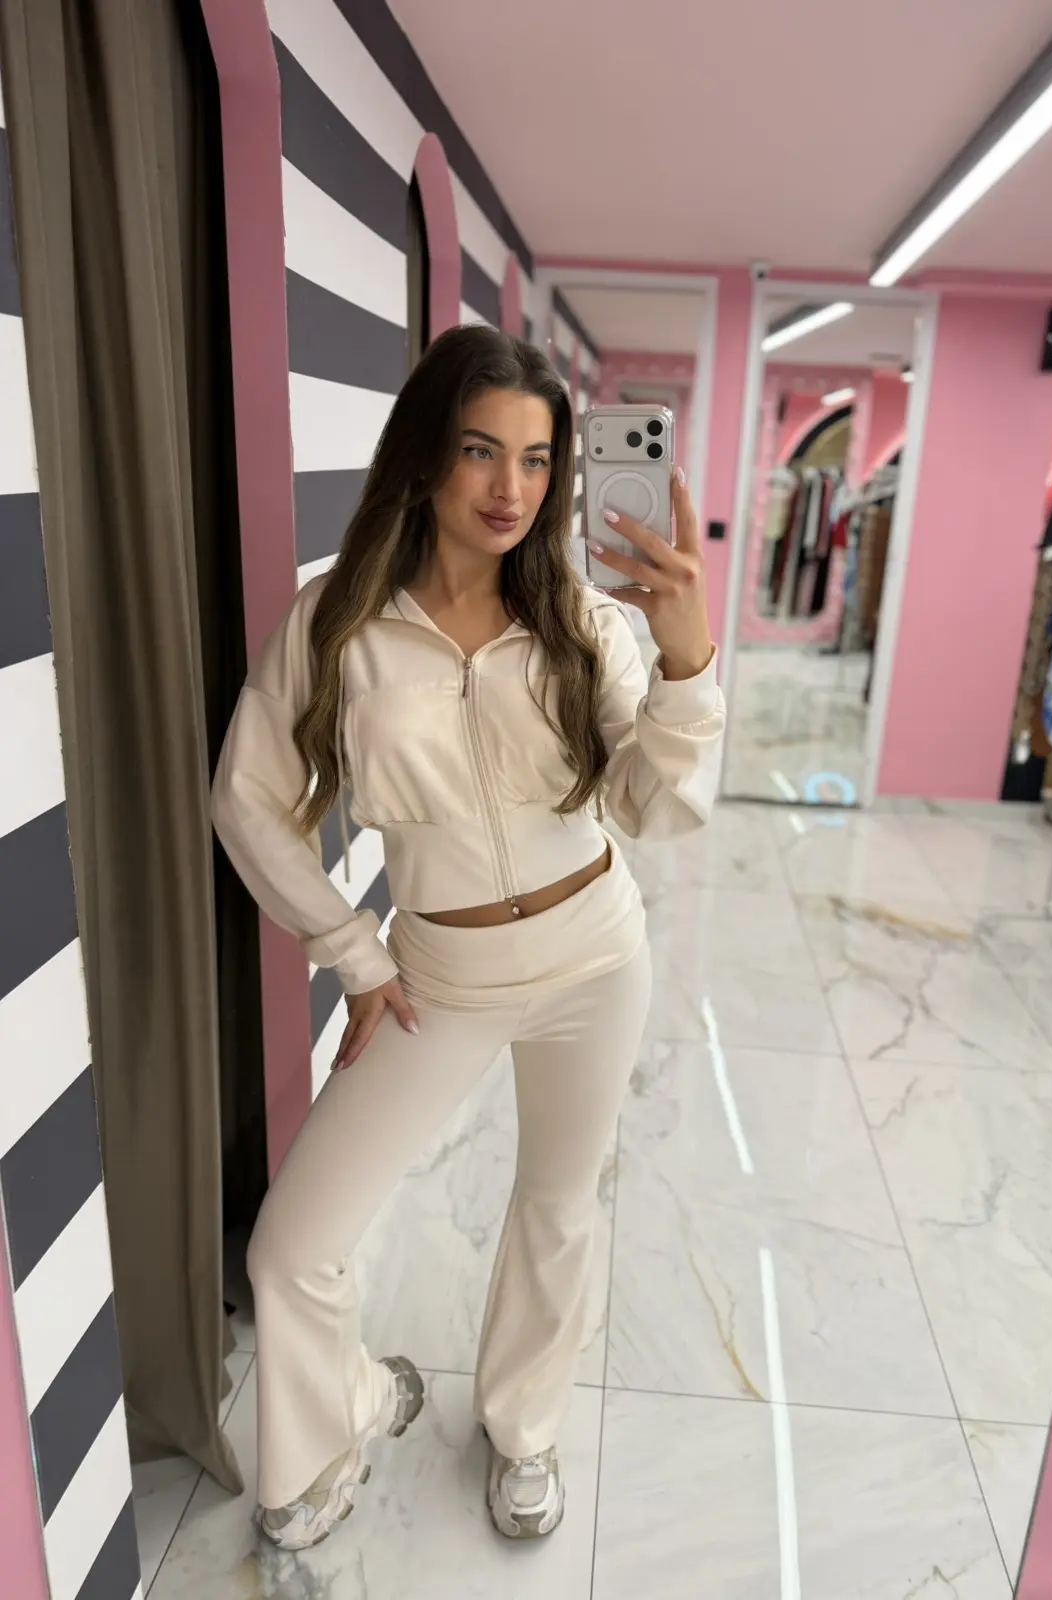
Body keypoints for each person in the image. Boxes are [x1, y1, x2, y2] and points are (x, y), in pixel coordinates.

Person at [211, 324, 725, 1551]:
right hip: (439, 971)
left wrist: (686, 655)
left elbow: (657, 808)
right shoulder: (339, 623)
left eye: (539, 459)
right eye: (481, 449)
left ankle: (523, 1427)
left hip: (596, 953)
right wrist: (352, 950)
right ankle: (341, 1415)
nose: (511, 487)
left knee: (557, 1205)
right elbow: (247, 796)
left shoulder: (581, 618)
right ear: (426, 453)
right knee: (293, 1243)